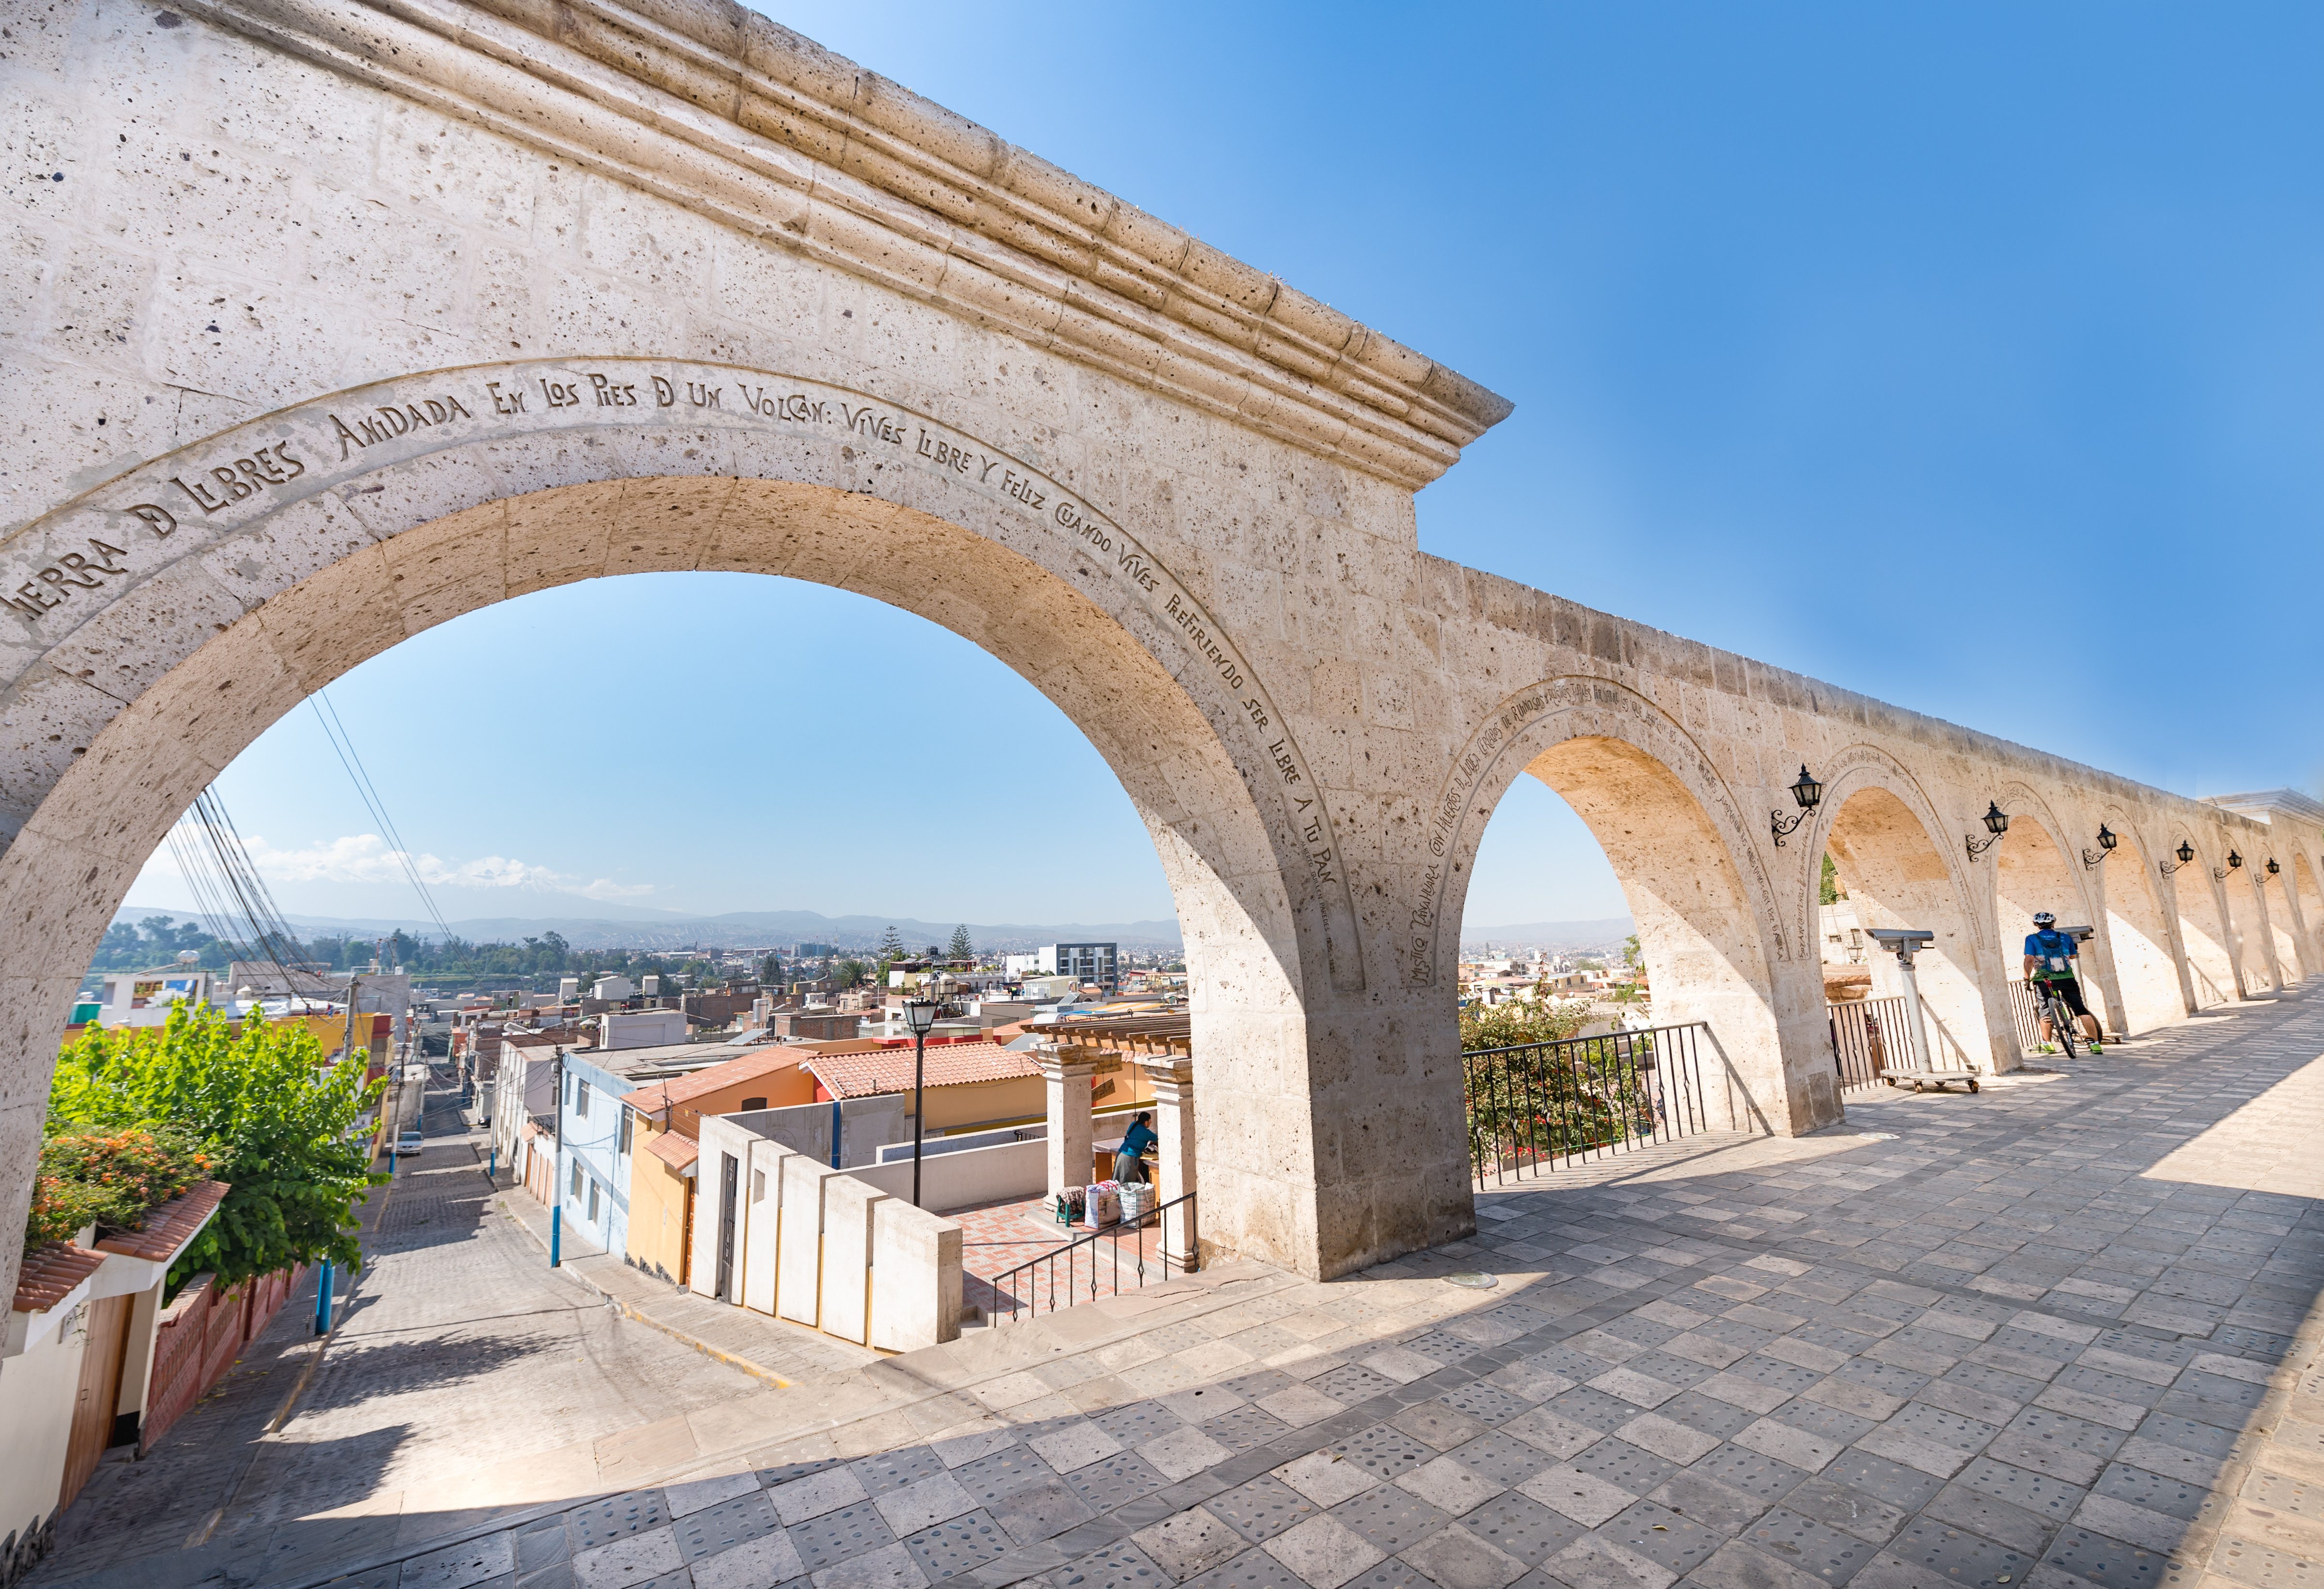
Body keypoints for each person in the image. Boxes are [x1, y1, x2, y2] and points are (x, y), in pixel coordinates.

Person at [2022, 912, 2103, 1052]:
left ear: (2036, 925)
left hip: (2044, 980)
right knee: (2080, 1009)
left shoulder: (2032, 939)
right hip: (2067, 978)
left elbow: (2029, 960)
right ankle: (2095, 1043)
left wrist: (2027, 978)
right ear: (2053, 924)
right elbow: (2072, 956)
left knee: (2045, 1011)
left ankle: (2047, 1045)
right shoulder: (2065, 937)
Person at [1114, 1110, 1157, 1184]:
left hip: (1121, 1155)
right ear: (1146, 1122)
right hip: (1129, 1159)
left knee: (1117, 1183)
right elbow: (1159, 1139)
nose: (1151, 1122)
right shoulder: (1146, 1132)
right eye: (1150, 1120)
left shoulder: (1133, 1124)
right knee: (1127, 1185)